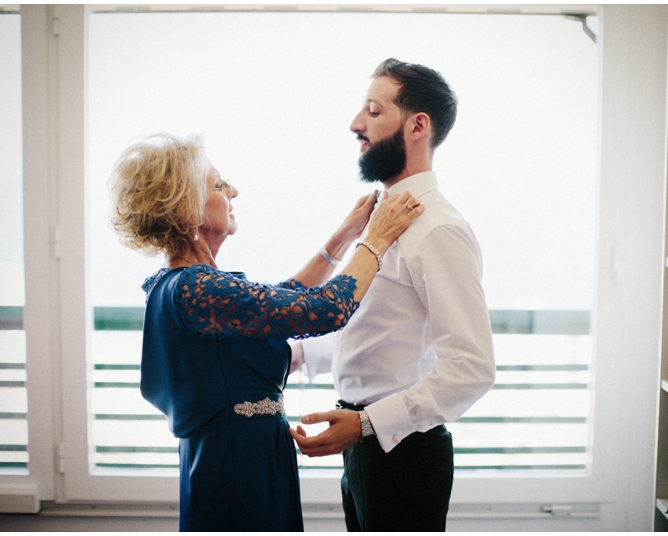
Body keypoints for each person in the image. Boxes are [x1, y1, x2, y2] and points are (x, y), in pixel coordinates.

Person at [108, 132, 423, 531]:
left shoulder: (181, 285)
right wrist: (377, 237)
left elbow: (284, 297)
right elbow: (326, 309)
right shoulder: (199, 288)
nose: (233, 190)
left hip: (232, 458)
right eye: (220, 185)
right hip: (239, 467)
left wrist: (345, 236)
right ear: (187, 209)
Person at [289, 59, 497, 531]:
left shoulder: (438, 229)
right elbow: (379, 329)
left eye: (373, 111)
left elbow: (472, 366)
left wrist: (365, 424)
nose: (355, 125)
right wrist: (298, 354)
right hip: (363, 447)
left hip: (403, 455)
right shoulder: (381, 219)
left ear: (417, 125)